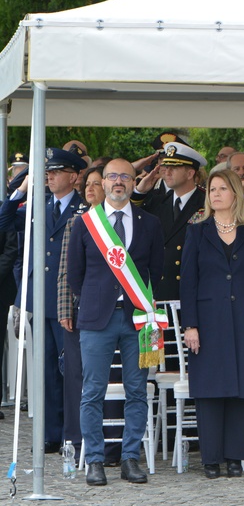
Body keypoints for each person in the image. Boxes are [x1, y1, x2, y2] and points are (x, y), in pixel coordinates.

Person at [66, 158, 164, 486]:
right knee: (92, 391)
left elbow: (156, 271)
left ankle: (130, 458)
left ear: (135, 182)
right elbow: (75, 276)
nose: (118, 181)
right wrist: (98, 300)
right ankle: (94, 460)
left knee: (137, 390)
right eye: (112, 176)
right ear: (102, 183)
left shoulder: (150, 223)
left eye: (125, 176)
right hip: (97, 320)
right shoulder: (84, 224)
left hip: (138, 320)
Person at [181, 170, 244, 479]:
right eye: (212, 189)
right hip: (208, 322)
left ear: (236, 193)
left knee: (241, 388)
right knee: (209, 390)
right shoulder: (197, 231)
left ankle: (235, 456)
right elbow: (189, 284)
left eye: (222, 188)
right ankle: (211, 459)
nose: (216, 194)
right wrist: (190, 325)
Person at [0, 147, 87, 451]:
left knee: (70, 368)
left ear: (75, 176)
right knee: (47, 369)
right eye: (47, 171)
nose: (50, 176)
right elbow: (4, 219)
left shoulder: (83, 208)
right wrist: (22, 185)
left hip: (67, 300)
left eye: (57, 171)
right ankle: (51, 433)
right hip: (40, 296)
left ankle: (72, 433)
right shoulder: (39, 205)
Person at [57, 165, 107, 457]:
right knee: (77, 376)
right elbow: (66, 271)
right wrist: (65, 308)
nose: (90, 189)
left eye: (96, 183)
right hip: (80, 310)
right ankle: (76, 439)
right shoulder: (76, 221)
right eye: (87, 184)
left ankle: (107, 440)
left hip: (110, 312)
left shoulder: (118, 223)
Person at [131, 141, 208, 302]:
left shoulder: (207, 202)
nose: (167, 171)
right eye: (166, 166)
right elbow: (130, 219)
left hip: (194, 291)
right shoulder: (157, 201)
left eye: (175, 167)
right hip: (162, 293)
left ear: (190, 174)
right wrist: (139, 192)